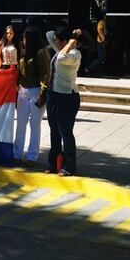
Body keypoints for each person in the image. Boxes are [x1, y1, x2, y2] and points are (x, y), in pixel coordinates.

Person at [45, 26, 83, 176]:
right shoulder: (59, 49)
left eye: (59, 41)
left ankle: (69, 166)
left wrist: (70, 44)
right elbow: (48, 34)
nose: (56, 43)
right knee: (54, 130)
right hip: (53, 95)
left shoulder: (75, 54)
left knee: (66, 132)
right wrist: (73, 34)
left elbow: (61, 58)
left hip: (67, 97)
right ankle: (53, 163)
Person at [14, 27, 51, 166]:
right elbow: (19, 71)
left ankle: (32, 156)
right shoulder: (24, 52)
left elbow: (46, 75)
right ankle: (16, 153)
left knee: (35, 125)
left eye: (25, 38)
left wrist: (43, 94)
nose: (23, 40)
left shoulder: (41, 53)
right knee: (20, 124)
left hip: (36, 91)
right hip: (23, 91)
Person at [85, 11, 106, 76]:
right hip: (100, 42)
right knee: (101, 57)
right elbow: (99, 30)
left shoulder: (103, 22)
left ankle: (93, 70)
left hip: (101, 41)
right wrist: (103, 39)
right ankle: (88, 68)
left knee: (102, 57)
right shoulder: (101, 22)